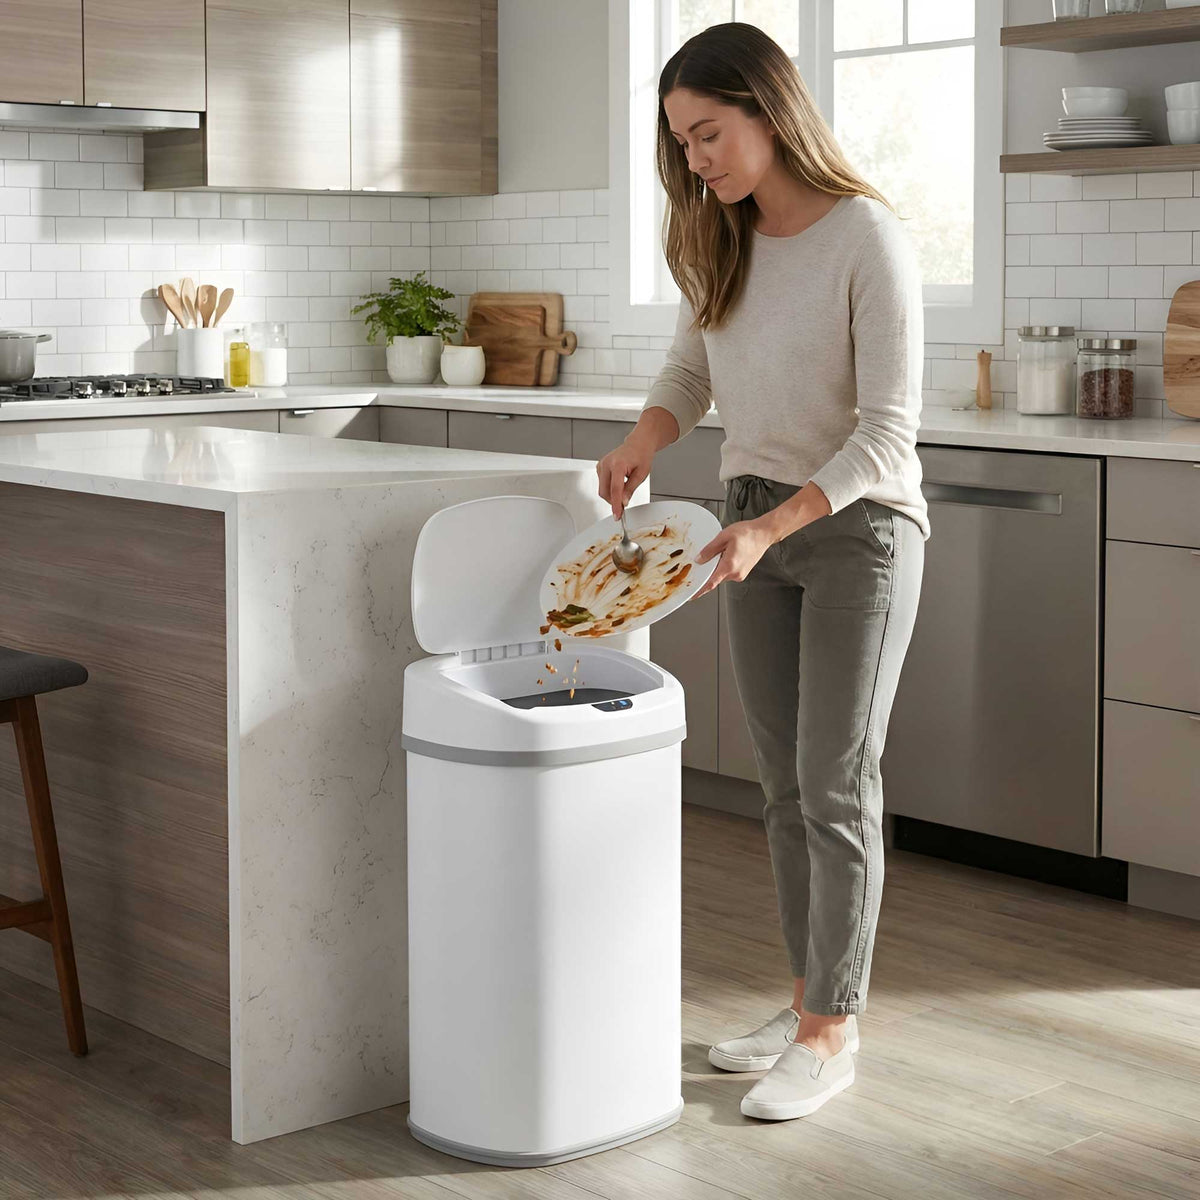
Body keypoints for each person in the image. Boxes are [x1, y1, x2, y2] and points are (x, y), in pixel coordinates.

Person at [596, 22, 930, 1122]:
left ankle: (835, 1032)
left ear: (769, 111)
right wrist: (648, 438)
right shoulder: (723, 239)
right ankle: (802, 1002)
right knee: (781, 789)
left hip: (853, 528)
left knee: (838, 783)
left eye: (708, 133)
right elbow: (691, 368)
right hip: (751, 521)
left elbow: (887, 435)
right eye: (681, 143)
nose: (695, 160)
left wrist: (771, 528)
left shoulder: (865, 236)